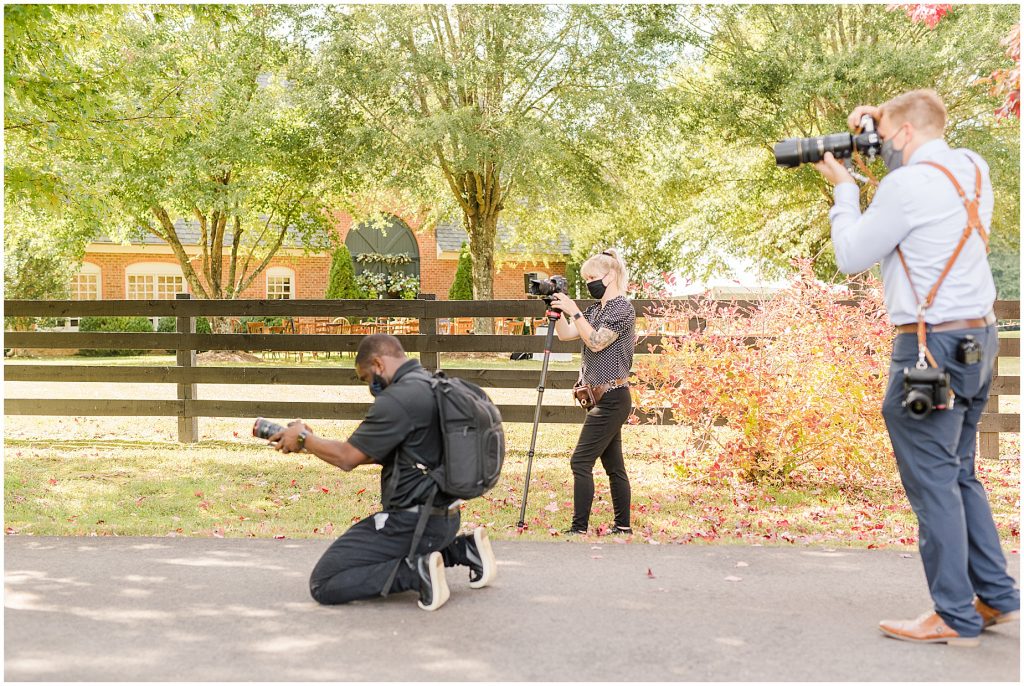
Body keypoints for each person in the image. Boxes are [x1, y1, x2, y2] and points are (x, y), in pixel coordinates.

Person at [812, 89, 1019, 646]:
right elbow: (915, 172)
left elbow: (851, 256)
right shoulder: (973, 169)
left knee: (932, 481)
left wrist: (846, 192)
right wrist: (879, 120)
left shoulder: (904, 186)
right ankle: (994, 596)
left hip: (929, 349)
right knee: (959, 471)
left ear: (899, 135)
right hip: (979, 340)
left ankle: (952, 611)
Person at [267, 334, 497, 611]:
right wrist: (311, 444)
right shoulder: (433, 385)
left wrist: (303, 438)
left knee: (325, 581)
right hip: (445, 520)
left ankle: (417, 572)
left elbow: (347, 458)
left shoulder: (398, 400)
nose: (370, 387)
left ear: (377, 363)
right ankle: (462, 549)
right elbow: (372, 452)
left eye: (366, 378)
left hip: (410, 525)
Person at [550, 249, 636, 536]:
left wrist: (573, 309)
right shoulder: (595, 310)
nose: (589, 282)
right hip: (598, 397)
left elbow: (597, 341)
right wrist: (557, 311)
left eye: (593, 277)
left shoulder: (622, 308)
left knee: (580, 461)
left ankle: (579, 528)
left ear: (610, 276)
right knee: (614, 465)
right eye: (586, 278)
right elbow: (566, 334)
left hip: (613, 397)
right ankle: (623, 527)